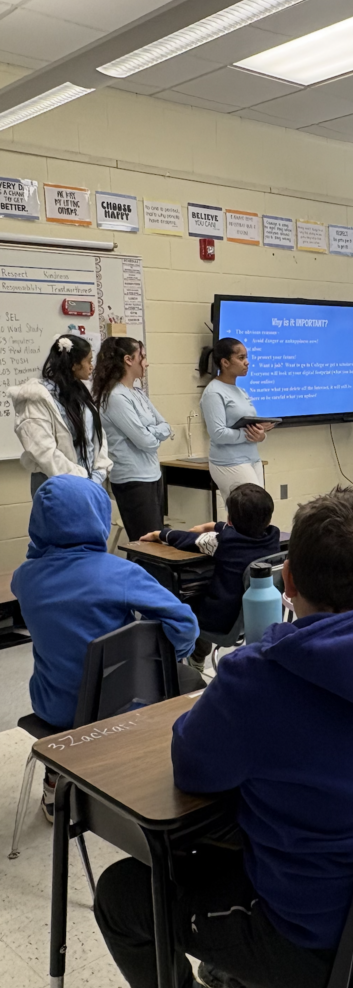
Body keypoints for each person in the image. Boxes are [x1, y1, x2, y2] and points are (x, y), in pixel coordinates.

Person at [93, 487, 353, 988]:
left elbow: (191, 769)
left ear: (287, 582)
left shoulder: (255, 679)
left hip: (315, 948)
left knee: (123, 893)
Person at [11, 475, 201, 817]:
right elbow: (184, 623)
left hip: (54, 709)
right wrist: (169, 653)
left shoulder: (23, 578)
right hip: (121, 709)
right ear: (96, 517)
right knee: (190, 681)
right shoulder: (120, 573)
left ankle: (56, 781)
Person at [141, 483, 281, 672]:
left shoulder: (221, 542)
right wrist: (215, 525)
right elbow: (242, 531)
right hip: (255, 616)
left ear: (230, 519)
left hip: (221, 620)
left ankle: (180, 665)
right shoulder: (273, 537)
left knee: (179, 601)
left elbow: (188, 539)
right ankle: (197, 658)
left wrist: (160, 533)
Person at [8, 334, 112, 498]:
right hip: (56, 485)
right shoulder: (36, 398)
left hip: (90, 484)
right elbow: (42, 450)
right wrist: (81, 478)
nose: (92, 367)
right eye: (88, 361)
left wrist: (98, 474)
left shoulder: (82, 393)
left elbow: (99, 437)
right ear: (74, 365)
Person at [92, 336, 173, 541]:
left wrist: (150, 431)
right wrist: (152, 433)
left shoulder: (137, 392)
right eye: (142, 357)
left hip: (152, 474)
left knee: (157, 541)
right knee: (146, 543)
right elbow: (146, 442)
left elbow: (166, 426)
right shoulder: (116, 397)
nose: (146, 363)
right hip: (132, 479)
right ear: (129, 359)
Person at [198, 338, 275, 503]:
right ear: (225, 362)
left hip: (252, 458)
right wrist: (247, 435)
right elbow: (218, 433)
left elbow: (250, 424)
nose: (247, 363)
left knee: (258, 511)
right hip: (229, 462)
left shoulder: (240, 391)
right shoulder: (213, 392)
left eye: (246, 357)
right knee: (248, 512)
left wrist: (261, 435)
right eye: (241, 358)